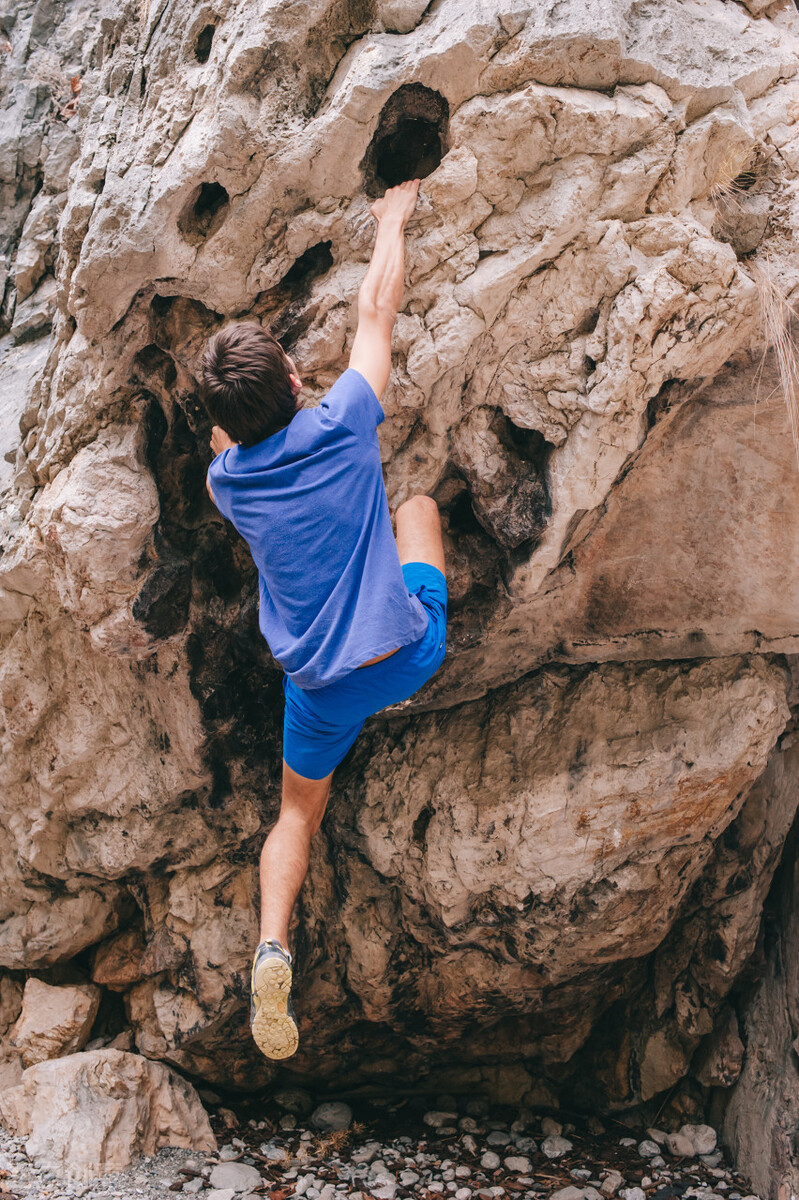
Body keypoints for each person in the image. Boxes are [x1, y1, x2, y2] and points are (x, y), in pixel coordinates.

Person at [201, 179, 447, 1061]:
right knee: (415, 507)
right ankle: (412, 601)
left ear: (222, 426)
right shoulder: (343, 421)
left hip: (318, 688)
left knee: (296, 814)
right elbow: (376, 312)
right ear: (297, 380)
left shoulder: (226, 485)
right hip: (404, 653)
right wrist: (391, 218)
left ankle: (273, 946)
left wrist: (235, 422)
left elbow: (231, 443)